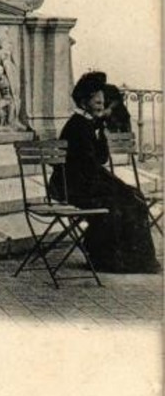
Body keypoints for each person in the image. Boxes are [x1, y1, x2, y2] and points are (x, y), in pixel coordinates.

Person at [50, 70, 159, 274]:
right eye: (97, 104)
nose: (101, 108)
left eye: (102, 104)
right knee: (121, 200)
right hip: (72, 187)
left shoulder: (89, 124)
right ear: (84, 103)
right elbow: (87, 167)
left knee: (133, 196)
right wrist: (114, 186)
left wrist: (100, 130)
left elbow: (100, 159)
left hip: (86, 183)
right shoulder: (77, 126)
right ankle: (108, 258)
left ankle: (134, 259)